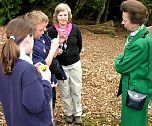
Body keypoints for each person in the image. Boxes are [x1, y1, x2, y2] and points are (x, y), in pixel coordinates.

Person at [0, 17, 53, 126]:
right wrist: (46, 80)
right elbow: (37, 105)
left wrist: (34, 72)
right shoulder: (27, 70)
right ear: (28, 38)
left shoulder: (5, 64)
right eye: (33, 37)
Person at [114, 0, 152, 126]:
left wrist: (120, 58)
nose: (122, 23)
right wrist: (125, 57)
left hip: (135, 89)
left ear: (135, 21)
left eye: (125, 20)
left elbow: (121, 66)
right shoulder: (139, 33)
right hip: (136, 85)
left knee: (133, 122)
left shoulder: (140, 43)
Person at [47, 3, 83, 125]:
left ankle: (78, 114)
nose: (63, 17)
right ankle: (68, 113)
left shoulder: (76, 29)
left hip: (74, 64)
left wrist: (73, 55)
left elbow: (79, 45)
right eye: (60, 15)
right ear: (56, 16)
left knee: (76, 89)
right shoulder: (50, 31)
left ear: (69, 16)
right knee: (64, 90)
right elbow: (49, 48)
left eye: (65, 15)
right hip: (60, 66)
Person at [24, 10, 59, 114]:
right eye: (41, 29)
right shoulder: (30, 45)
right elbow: (42, 67)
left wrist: (56, 49)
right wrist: (52, 50)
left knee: (51, 107)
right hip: (39, 85)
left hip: (49, 81)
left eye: (45, 28)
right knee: (44, 110)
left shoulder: (43, 37)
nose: (44, 31)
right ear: (31, 29)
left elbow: (52, 56)